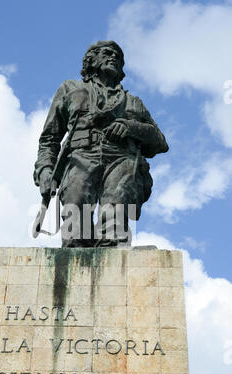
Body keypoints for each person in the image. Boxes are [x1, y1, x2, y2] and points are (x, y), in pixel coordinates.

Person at [33, 40, 168, 247]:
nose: (114, 57)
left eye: (118, 56)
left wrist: (131, 127)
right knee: (75, 228)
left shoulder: (133, 102)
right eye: (107, 53)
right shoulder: (71, 89)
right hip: (80, 158)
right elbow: (50, 138)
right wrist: (45, 170)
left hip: (121, 160)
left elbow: (159, 141)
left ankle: (114, 257)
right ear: (92, 60)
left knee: (114, 225)